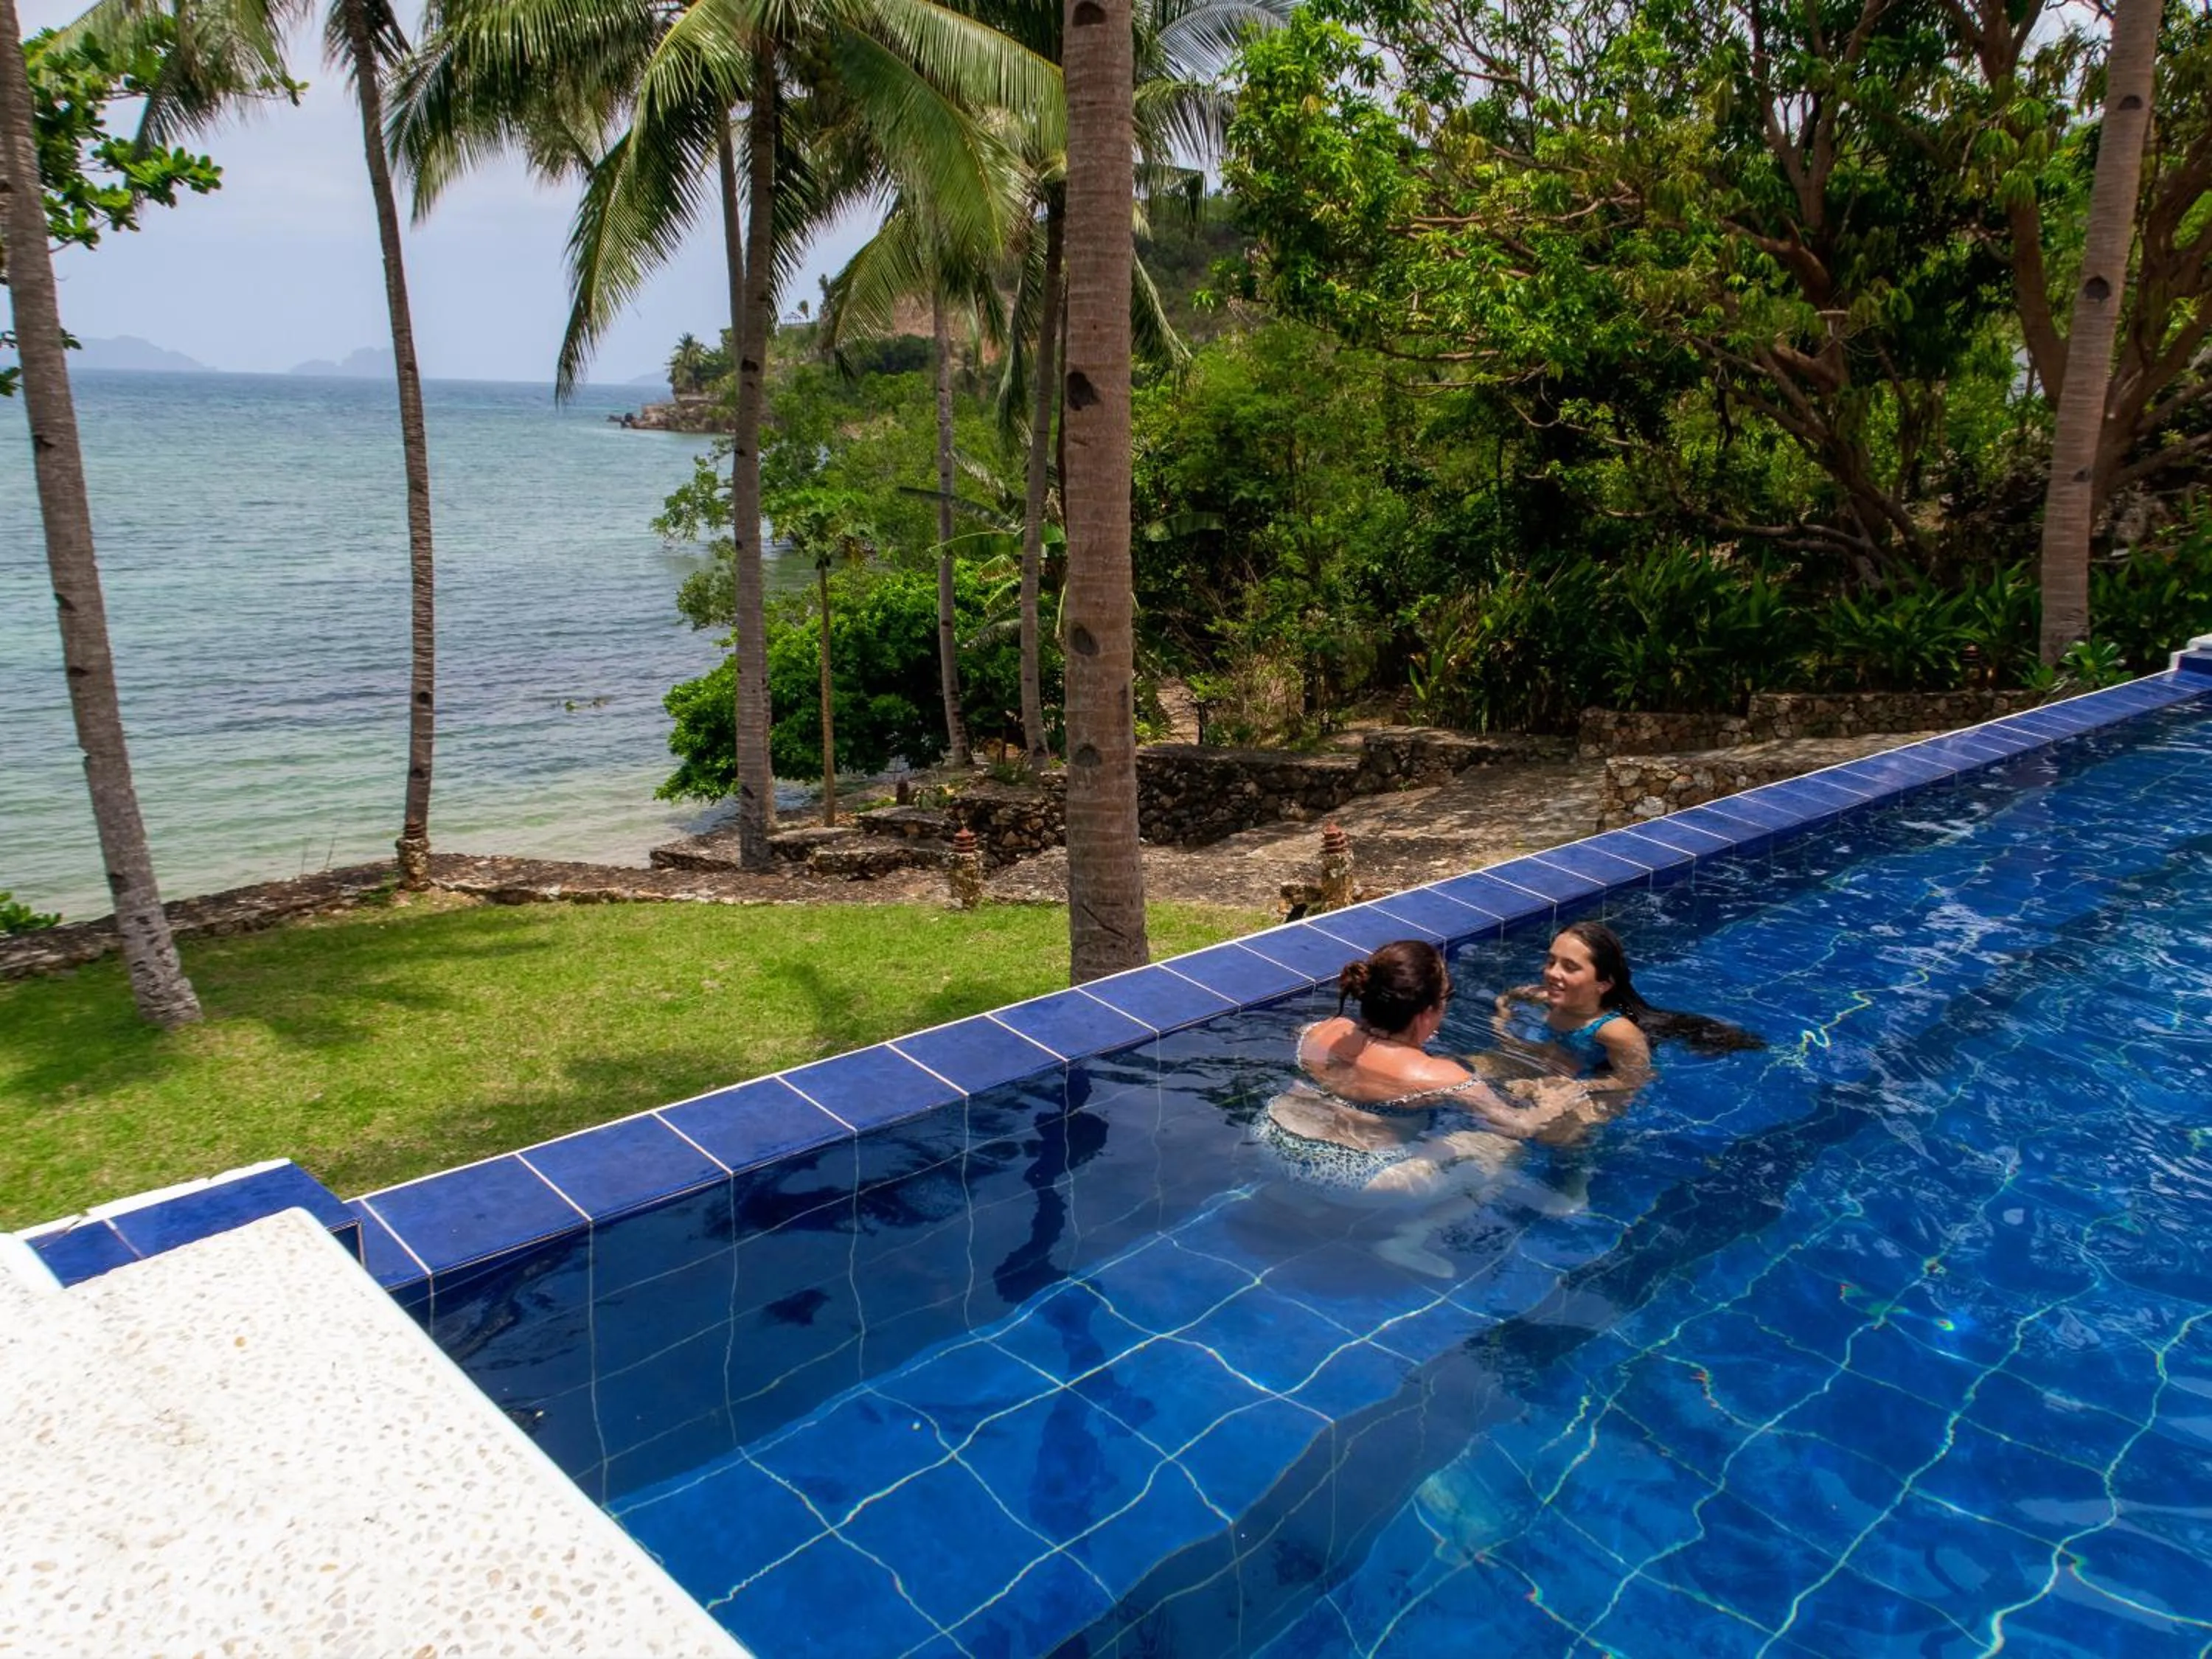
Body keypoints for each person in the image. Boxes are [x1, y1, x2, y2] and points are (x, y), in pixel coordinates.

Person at [1260, 941, 1579, 1265]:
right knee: (1506, 1150)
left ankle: (1297, 1198)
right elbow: (1518, 1126)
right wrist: (1554, 1102)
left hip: (1273, 1139)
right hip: (1353, 1179)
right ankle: (1412, 1236)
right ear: (1427, 1011)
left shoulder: (1322, 1029)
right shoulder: (1438, 1075)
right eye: (1446, 999)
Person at [1487, 919, 1763, 1135]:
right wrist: (1502, 1011)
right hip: (1563, 1063)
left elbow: (1637, 1079)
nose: (1552, 973)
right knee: (1478, 1069)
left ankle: (1576, 1179)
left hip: (1606, 1082)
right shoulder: (1549, 998)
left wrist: (1575, 1087)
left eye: (1569, 967)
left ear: (1603, 984)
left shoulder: (1615, 1031)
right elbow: (1513, 994)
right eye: (1551, 961)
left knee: (1555, 1134)